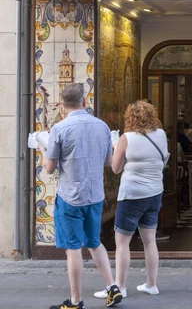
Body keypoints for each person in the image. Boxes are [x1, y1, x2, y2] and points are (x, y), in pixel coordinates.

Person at [40, 83, 122, 309]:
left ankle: (76, 301)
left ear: (64, 104)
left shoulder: (60, 128)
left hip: (70, 197)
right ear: (84, 101)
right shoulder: (102, 126)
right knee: (95, 242)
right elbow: (108, 161)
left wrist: (42, 150)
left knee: (74, 249)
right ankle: (112, 287)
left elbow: (49, 168)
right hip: (95, 195)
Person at [94, 99, 168, 300]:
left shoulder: (127, 138)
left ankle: (121, 286)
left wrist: (116, 146)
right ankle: (152, 284)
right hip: (155, 193)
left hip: (133, 195)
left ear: (130, 118)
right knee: (150, 241)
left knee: (123, 242)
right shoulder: (161, 135)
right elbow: (163, 159)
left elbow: (116, 168)